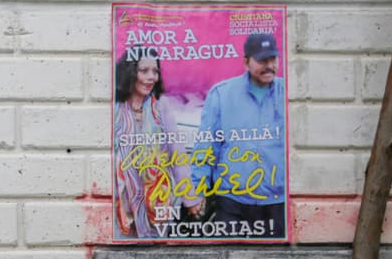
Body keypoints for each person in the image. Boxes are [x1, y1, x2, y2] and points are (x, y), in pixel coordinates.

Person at [185, 32, 286, 238]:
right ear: (246, 62)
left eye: (273, 59)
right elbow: (207, 145)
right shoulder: (221, 94)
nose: (269, 65)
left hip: (278, 202)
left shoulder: (288, 93)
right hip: (232, 202)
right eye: (262, 60)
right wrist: (197, 189)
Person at [112, 52, 200, 238]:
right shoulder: (114, 107)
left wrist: (190, 198)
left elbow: (177, 153)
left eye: (155, 71)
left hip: (157, 200)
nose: (152, 77)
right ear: (129, 72)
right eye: (144, 71)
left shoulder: (161, 105)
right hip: (120, 202)